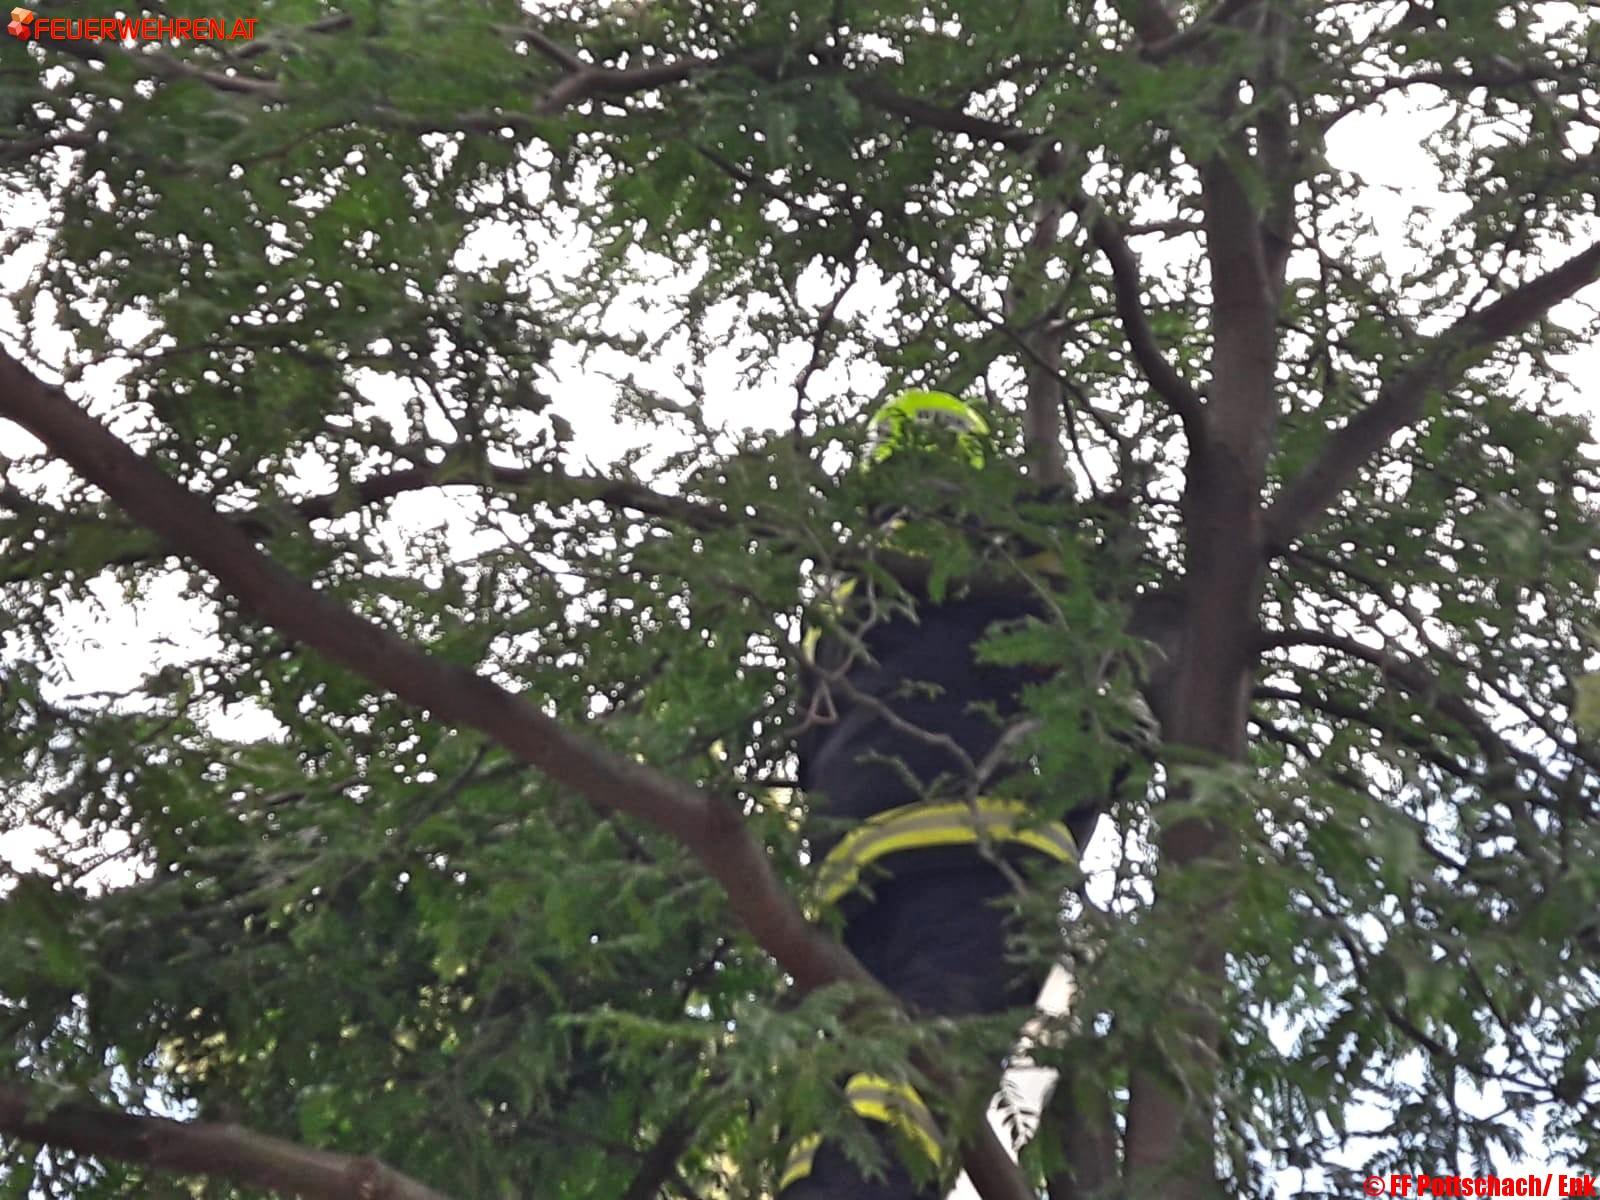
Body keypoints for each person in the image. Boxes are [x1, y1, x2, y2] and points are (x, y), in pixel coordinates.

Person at [782, 391, 1101, 1199]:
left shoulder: (846, 578)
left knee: (848, 1072)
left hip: (854, 862)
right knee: (920, 1070)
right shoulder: (1005, 536)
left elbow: (810, 738)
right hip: (977, 838)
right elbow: (1088, 655)